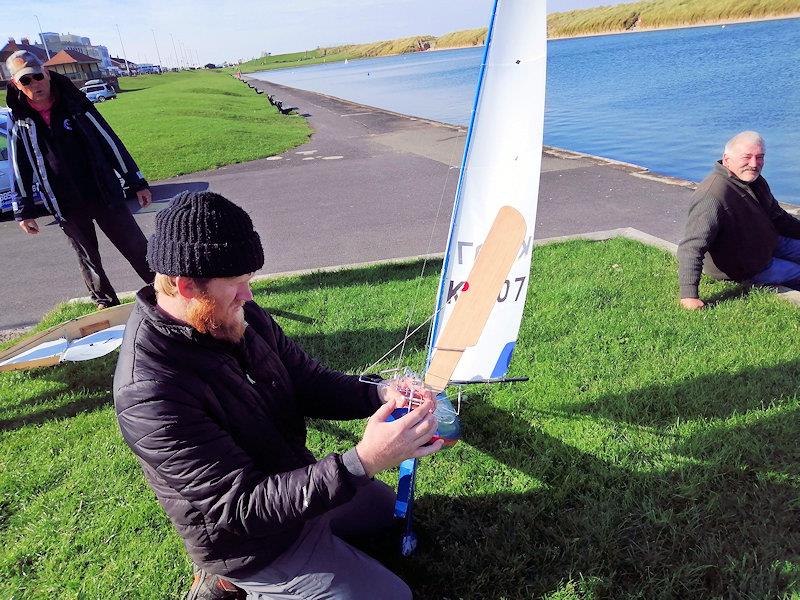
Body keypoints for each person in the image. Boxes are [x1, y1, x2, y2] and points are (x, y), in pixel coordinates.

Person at [113, 191, 443, 600]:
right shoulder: (148, 392)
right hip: (247, 542)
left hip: (296, 485)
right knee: (392, 597)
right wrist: (364, 461)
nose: (248, 297)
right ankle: (229, 581)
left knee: (392, 518)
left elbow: (307, 380)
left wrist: (378, 391)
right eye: (237, 285)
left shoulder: (235, 315)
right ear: (186, 286)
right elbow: (240, 507)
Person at [4, 50, 154, 309]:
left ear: (47, 74)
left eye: (37, 76)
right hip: (64, 203)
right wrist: (24, 210)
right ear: (16, 84)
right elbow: (20, 167)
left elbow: (110, 142)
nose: (34, 84)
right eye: (25, 81)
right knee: (88, 259)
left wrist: (136, 181)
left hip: (103, 193)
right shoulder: (19, 119)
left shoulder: (76, 104)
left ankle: (166, 295)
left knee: (136, 246)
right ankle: (107, 308)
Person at [678, 131, 800, 309]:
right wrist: (689, 295)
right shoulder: (712, 195)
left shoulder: (755, 181)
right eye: (747, 157)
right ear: (727, 160)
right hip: (747, 265)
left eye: (759, 157)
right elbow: (691, 246)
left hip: (768, 243)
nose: (754, 164)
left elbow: (778, 217)